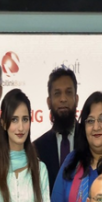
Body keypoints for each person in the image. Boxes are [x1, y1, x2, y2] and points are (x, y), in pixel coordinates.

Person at [33, 66, 80, 195]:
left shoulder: (90, 140)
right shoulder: (37, 148)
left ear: (76, 99)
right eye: (57, 93)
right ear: (49, 102)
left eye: (68, 92)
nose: (63, 99)